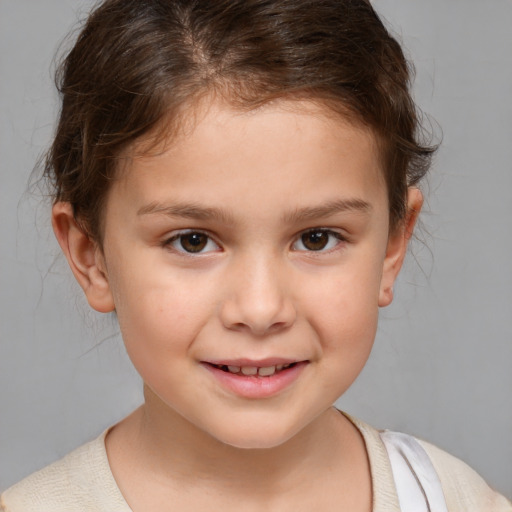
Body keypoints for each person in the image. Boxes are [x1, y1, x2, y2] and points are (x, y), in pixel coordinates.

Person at [1, 0, 511, 510]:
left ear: (392, 245)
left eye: (317, 238)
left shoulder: (457, 500)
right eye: (192, 241)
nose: (262, 309)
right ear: (91, 256)